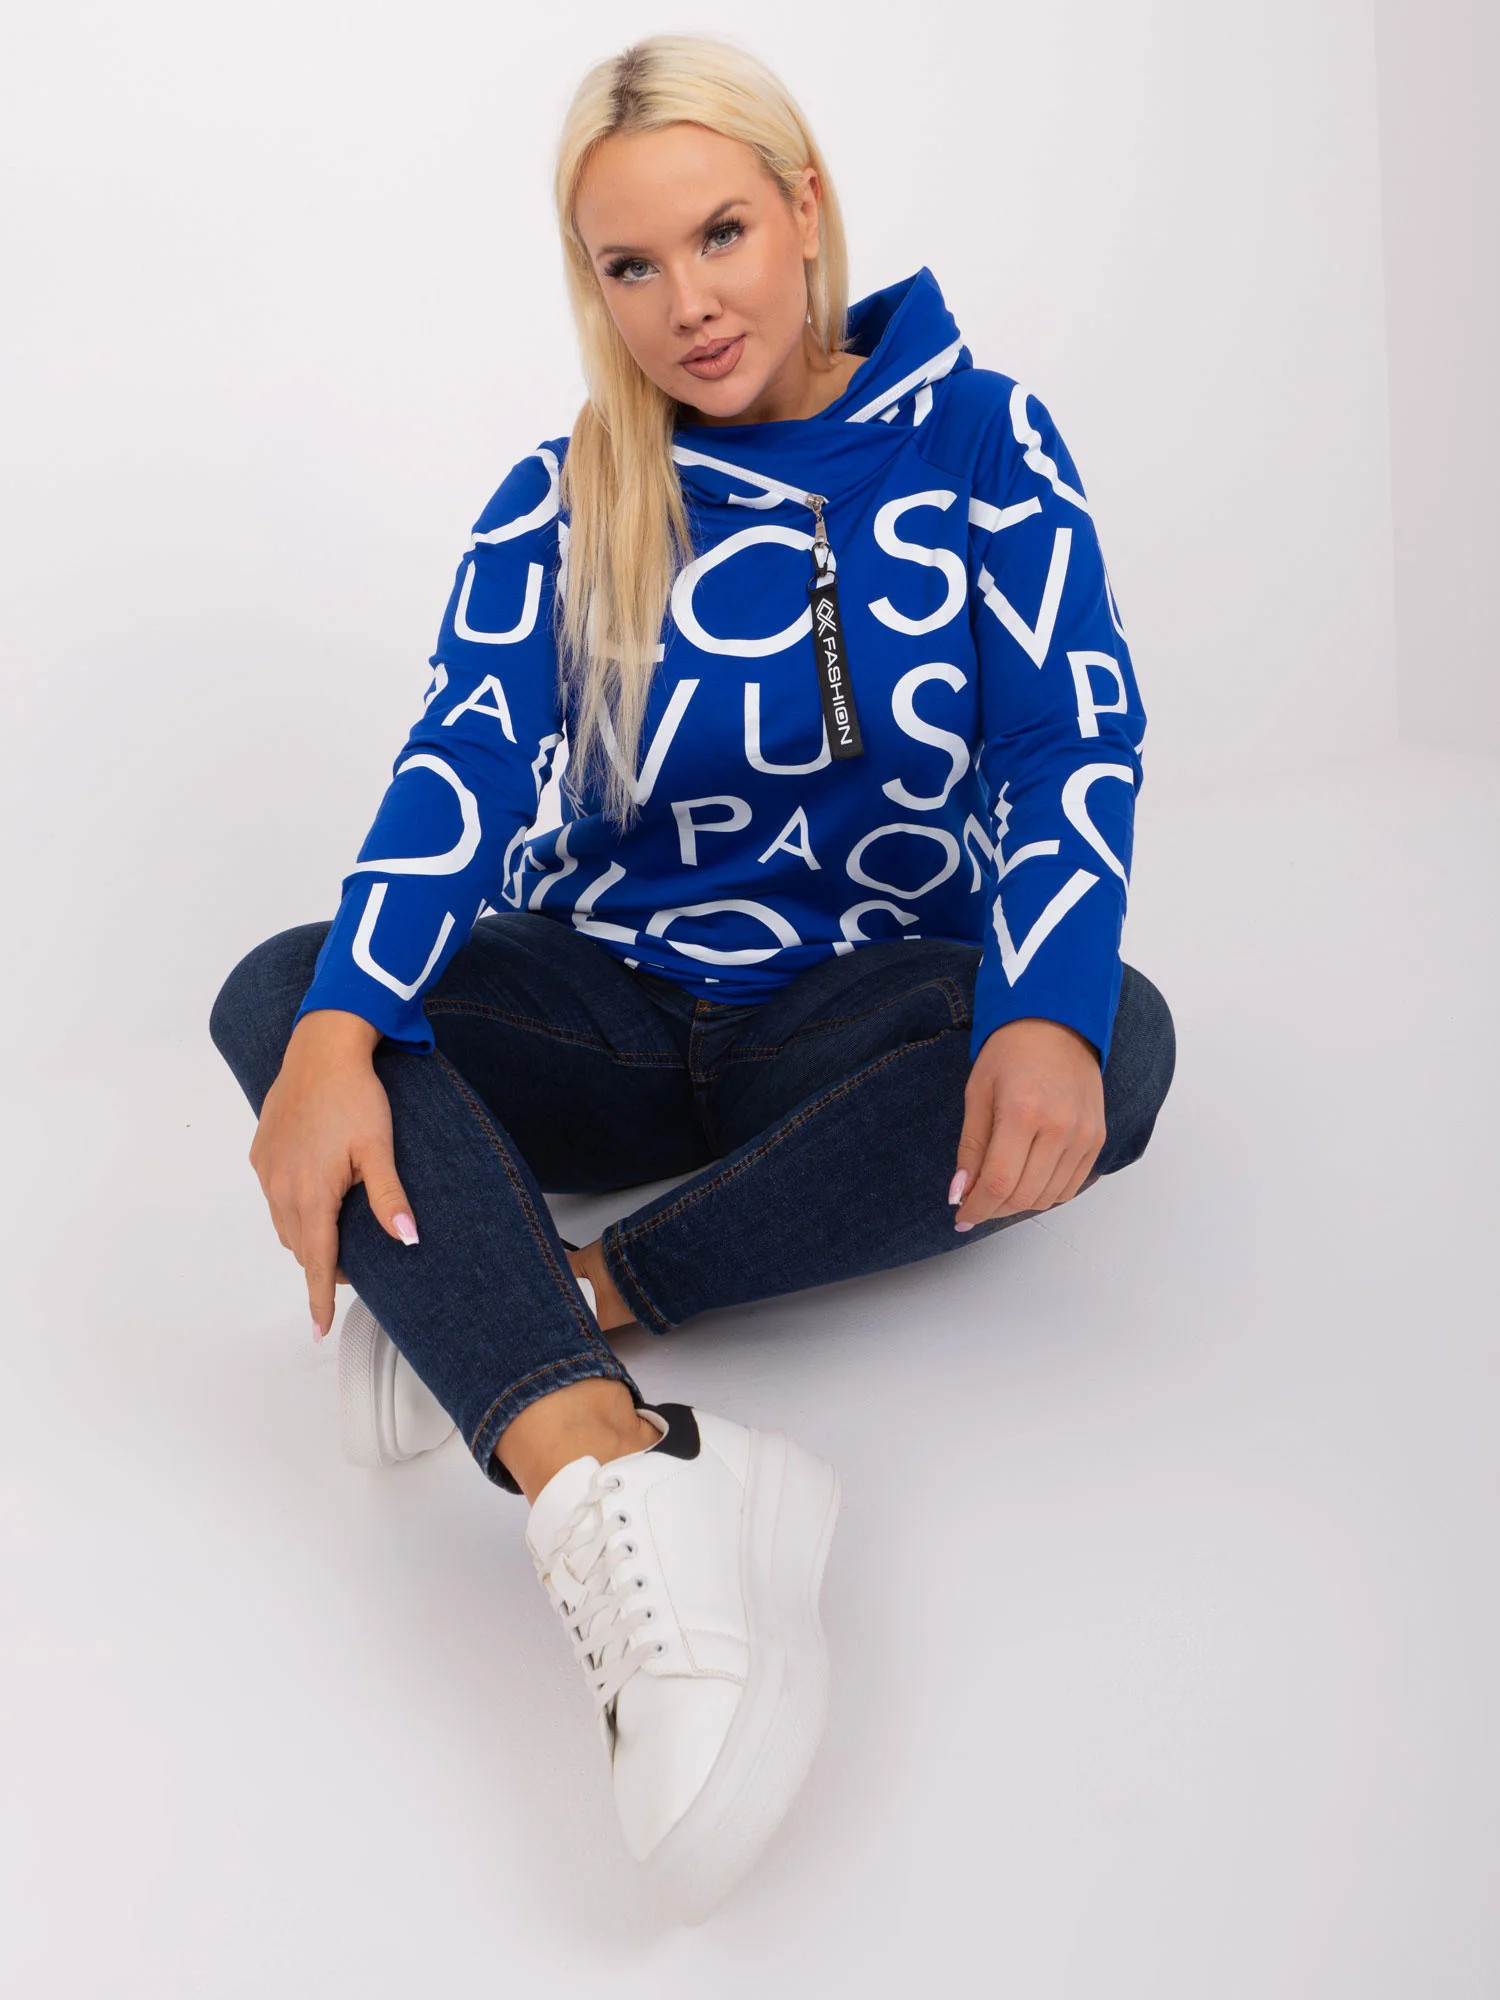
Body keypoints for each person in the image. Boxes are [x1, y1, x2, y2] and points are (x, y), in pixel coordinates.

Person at [208, 31, 1176, 1922]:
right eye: (631, 266)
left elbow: (1073, 733)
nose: (688, 304)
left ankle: (554, 1293)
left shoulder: (983, 440)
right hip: (613, 1010)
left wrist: (1044, 1011)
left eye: (721, 234)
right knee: (283, 988)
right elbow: (465, 757)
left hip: (853, 1015)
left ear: (804, 209)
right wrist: (333, 1033)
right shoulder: (571, 489)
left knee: (1116, 1038)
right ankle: (610, 1464)